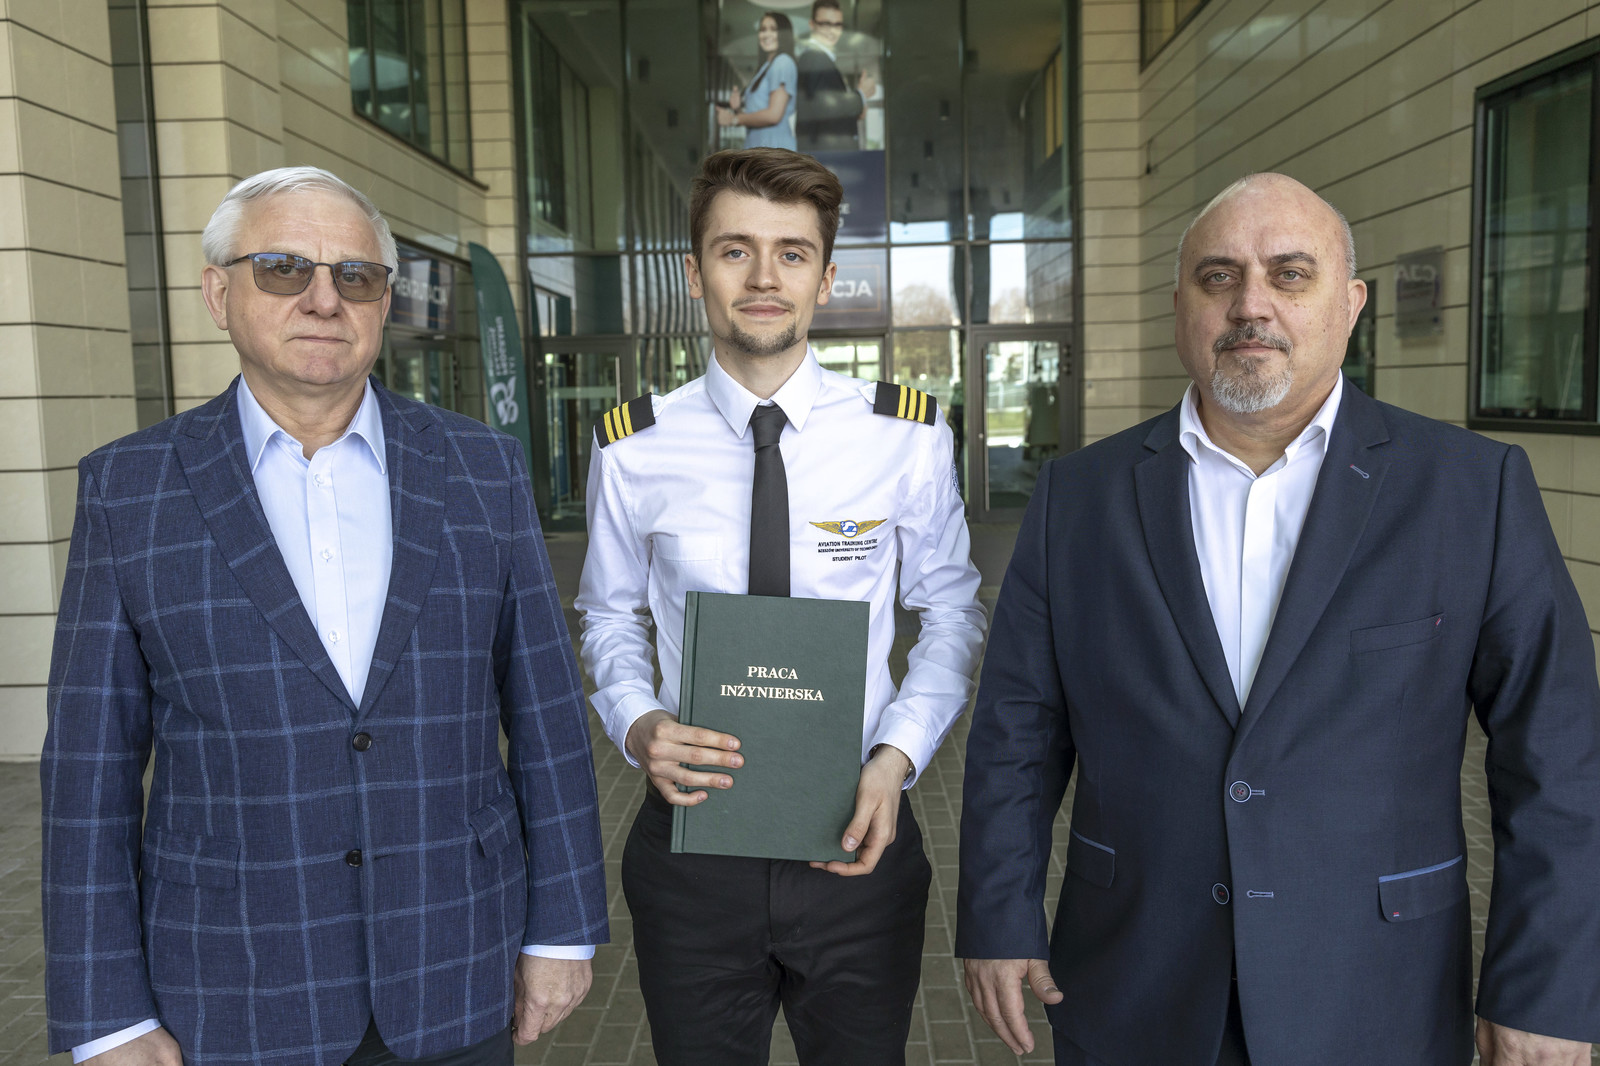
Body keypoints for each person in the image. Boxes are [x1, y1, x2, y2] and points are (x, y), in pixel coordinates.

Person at [956, 172, 1600, 1066]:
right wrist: (997, 913)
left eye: (1290, 275)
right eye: (1218, 276)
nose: (1250, 304)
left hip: (1375, 990)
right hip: (1137, 981)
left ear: (1350, 305)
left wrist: (1545, 989)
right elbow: (1016, 729)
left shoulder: (1471, 490)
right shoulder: (1080, 497)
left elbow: (1558, 754)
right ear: (1180, 307)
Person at [40, 166, 608, 1065]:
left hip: (457, 963)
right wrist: (106, 1012)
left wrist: (563, 929)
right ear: (218, 293)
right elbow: (89, 770)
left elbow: (547, 717)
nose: (323, 298)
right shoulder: (129, 490)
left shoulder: (482, 469)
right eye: (282, 268)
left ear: (384, 302)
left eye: (356, 275)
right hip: (233, 988)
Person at [576, 147, 985, 1064]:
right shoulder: (633, 446)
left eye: (792, 253)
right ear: (695, 274)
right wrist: (637, 721)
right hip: (691, 850)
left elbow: (953, 615)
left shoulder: (905, 436)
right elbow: (607, 615)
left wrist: (898, 757)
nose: (764, 278)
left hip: (858, 836)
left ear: (826, 279)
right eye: (736, 251)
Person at [795, 0, 874, 152]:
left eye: (837, 25)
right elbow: (824, 105)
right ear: (812, 24)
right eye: (825, 24)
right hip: (825, 155)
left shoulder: (820, 58)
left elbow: (821, 109)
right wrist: (861, 95)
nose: (832, 31)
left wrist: (856, 111)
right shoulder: (814, 57)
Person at [719, 12, 798, 151]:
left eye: (773, 29)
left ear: (784, 34)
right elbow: (758, 113)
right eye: (763, 29)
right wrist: (737, 109)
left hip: (774, 150)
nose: (766, 34)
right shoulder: (766, 67)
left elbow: (774, 115)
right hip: (761, 148)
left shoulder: (782, 62)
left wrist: (734, 119)